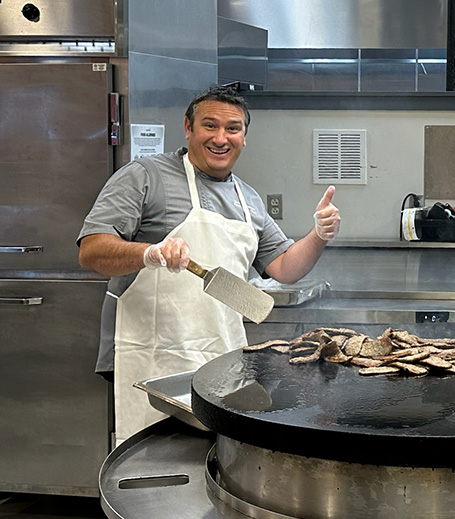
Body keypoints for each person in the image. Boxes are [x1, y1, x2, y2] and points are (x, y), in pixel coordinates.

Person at [78, 85, 341, 443]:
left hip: (219, 355)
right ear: (188, 128)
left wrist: (318, 234)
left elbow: (283, 268)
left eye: (233, 128)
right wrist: (148, 254)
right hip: (152, 355)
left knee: (212, 461)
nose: (221, 137)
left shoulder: (247, 198)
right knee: (151, 458)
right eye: (209, 125)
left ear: (244, 137)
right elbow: (92, 250)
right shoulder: (145, 175)